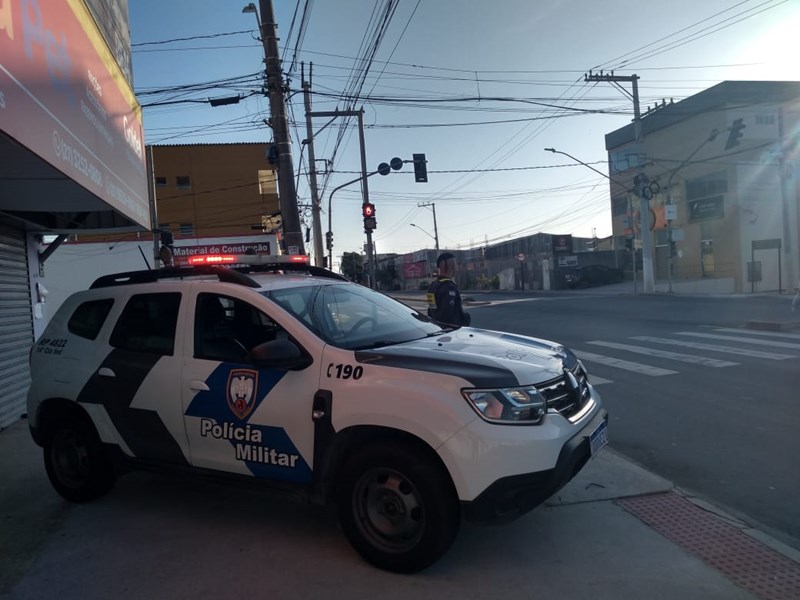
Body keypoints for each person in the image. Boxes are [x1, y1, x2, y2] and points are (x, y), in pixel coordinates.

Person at [427, 252, 471, 327]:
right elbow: (448, 314)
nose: (456, 267)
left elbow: (431, 309)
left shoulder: (433, 286)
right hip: (451, 331)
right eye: (455, 264)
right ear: (452, 265)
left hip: (436, 327)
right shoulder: (450, 288)